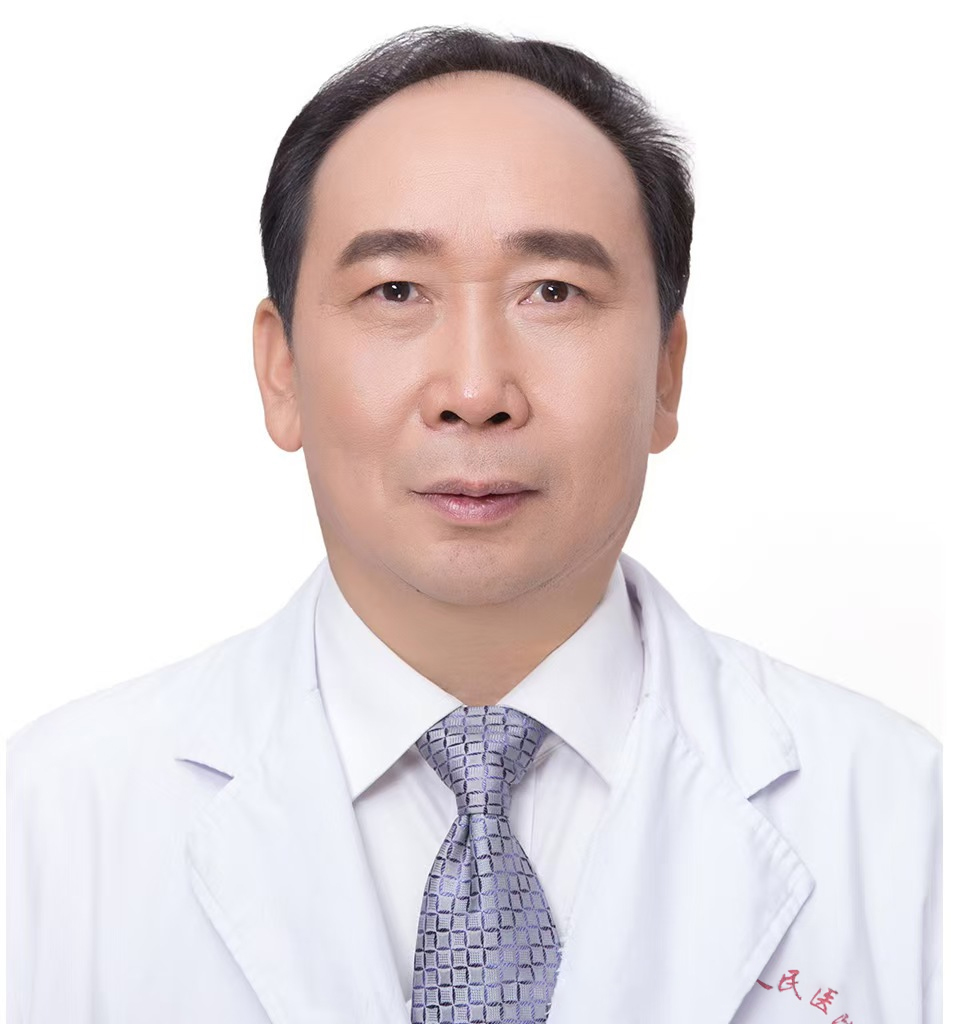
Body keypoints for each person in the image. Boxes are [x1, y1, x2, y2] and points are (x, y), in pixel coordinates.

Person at [7, 24, 940, 1024]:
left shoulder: (909, 819)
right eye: (395, 291)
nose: (475, 390)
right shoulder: (50, 822)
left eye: (554, 292)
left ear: (666, 375)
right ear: (281, 371)